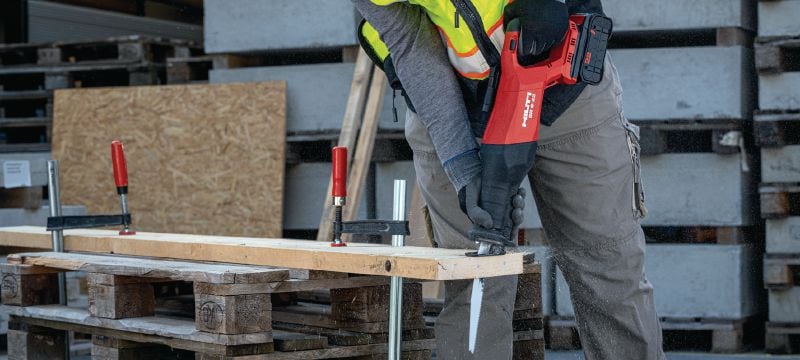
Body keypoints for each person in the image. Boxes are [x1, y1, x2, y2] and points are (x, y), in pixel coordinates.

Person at [351, 0, 665, 359]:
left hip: (565, 83)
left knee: (607, 269)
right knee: (474, 275)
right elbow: (408, 42)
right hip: (452, 103)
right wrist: (463, 168)